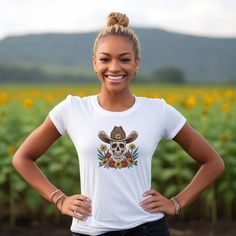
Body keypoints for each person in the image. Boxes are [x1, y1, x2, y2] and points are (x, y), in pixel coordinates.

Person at [13, 12, 225, 236]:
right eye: (105, 59)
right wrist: (59, 199)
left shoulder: (158, 111)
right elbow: (22, 158)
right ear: (94, 63)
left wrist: (176, 202)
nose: (114, 67)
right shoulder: (72, 109)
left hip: (147, 229)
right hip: (90, 230)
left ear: (136, 64)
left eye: (124, 59)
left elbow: (213, 162)